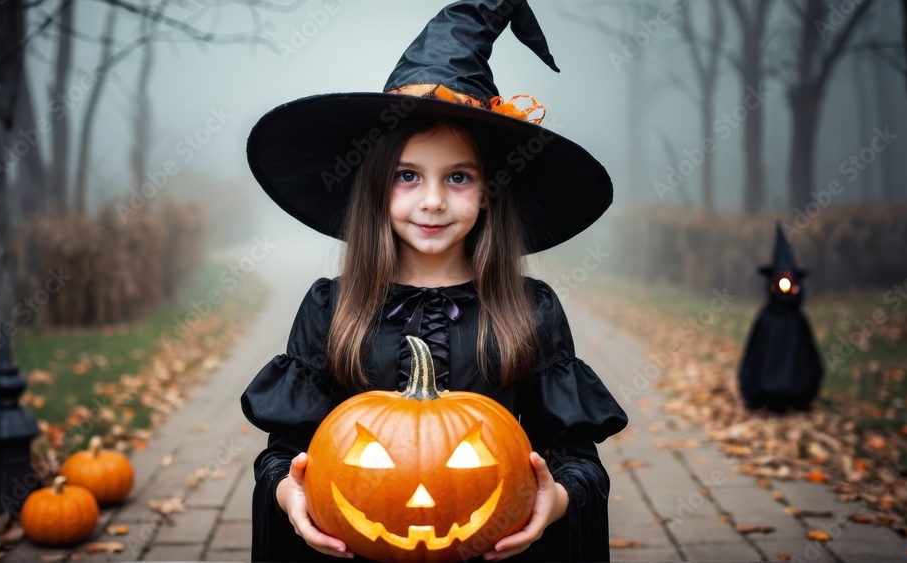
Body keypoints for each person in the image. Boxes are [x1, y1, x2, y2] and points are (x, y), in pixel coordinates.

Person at [241, 1, 628, 561]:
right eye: (407, 175)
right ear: (377, 188)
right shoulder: (332, 308)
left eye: (458, 177)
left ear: (489, 192)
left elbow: (575, 459)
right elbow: (285, 454)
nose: (432, 201)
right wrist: (289, 494)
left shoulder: (529, 309)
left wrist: (557, 500)